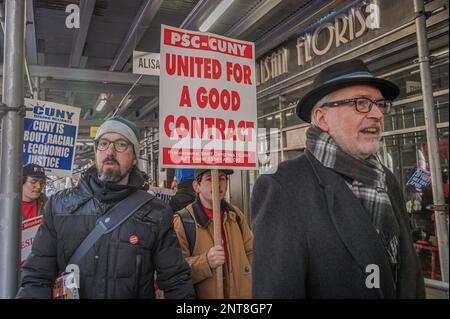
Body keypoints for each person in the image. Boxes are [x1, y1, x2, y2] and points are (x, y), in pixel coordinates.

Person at [251, 59, 425, 298]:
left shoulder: (387, 180)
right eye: (360, 103)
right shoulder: (283, 187)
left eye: (380, 104)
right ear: (323, 119)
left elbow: (408, 276)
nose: (377, 114)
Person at [17, 116, 195, 299]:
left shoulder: (156, 213)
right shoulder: (59, 206)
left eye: (121, 144)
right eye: (103, 143)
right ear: (96, 152)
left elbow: (176, 281)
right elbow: (37, 278)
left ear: (134, 157)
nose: (110, 151)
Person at [173, 169, 253, 299]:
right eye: (210, 179)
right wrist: (206, 261)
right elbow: (175, 271)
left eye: (222, 178)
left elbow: (251, 251)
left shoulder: (236, 215)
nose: (217, 184)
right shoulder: (183, 221)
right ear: (196, 186)